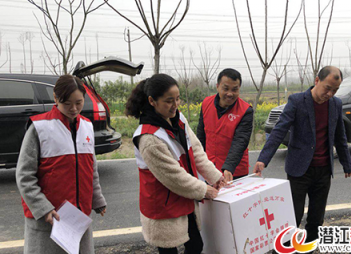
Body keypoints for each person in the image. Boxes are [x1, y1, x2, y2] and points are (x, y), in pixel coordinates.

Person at [253, 66, 351, 246]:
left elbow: (340, 136)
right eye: (327, 88)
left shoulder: (336, 104)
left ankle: (309, 247)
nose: (330, 94)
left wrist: (347, 163)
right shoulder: (297, 101)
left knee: (316, 218)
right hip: (299, 170)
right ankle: (286, 248)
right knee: (293, 216)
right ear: (317, 81)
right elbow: (279, 130)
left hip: (323, 171)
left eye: (335, 90)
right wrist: (263, 159)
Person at [126, 74, 225, 254]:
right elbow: (173, 176)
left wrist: (215, 176)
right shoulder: (148, 139)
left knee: (196, 245)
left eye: (177, 99)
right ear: (152, 101)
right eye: (169, 101)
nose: (175, 105)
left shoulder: (178, 119)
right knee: (168, 250)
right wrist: (204, 189)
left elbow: (196, 151)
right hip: (163, 205)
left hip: (184, 195)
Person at [16, 75, 107, 254]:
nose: (73, 109)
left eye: (78, 103)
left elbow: (91, 170)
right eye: (67, 104)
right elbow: (24, 176)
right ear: (56, 98)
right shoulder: (40, 127)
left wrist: (97, 200)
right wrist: (43, 209)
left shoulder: (87, 126)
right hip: (49, 219)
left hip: (78, 217)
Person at [197, 68, 253, 182]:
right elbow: (201, 136)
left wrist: (229, 167)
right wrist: (198, 161)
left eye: (234, 89)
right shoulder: (206, 103)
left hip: (235, 170)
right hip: (210, 168)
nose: (230, 94)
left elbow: (240, 141)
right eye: (226, 88)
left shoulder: (245, 110)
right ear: (217, 86)